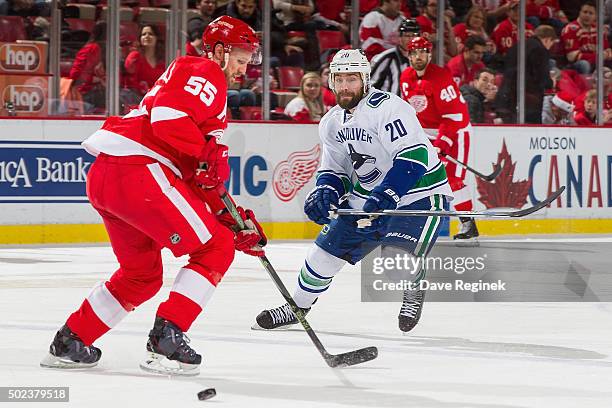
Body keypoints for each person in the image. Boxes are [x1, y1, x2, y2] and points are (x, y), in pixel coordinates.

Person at [40, 16, 267, 377]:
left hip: (110, 176)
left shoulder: (205, 86)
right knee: (217, 247)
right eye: (241, 56)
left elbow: (200, 173)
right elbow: (168, 119)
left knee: (141, 275)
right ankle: (168, 336)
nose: (244, 66)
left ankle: (71, 340)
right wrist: (208, 167)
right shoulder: (206, 70)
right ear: (221, 52)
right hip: (139, 172)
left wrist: (231, 215)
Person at [253, 49, 452, 333]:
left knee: (395, 265)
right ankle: (297, 306)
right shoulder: (332, 122)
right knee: (321, 255)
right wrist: (325, 192)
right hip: (369, 197)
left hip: (418, 195)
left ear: (366, 80)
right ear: (331, 81)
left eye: (352, 79)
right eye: (339, 79)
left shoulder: (388, 108)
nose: (345, 86)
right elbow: (336, 169)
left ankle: (414, 283)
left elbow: (415, 156)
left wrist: (387, 194)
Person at [400, 37, 479, 241]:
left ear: (429, 54)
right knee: (416, 175)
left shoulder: (441, 76)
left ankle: (468, 223)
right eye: (415, 52)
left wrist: (442, 144)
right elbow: (410, 111)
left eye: (423, 52)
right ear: (409, 55)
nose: (419, 56)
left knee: (452, 179)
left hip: (456, 128)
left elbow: (453, 117)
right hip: (426, 132)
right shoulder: (405, 77)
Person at [495, 25, 558, 124]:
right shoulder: (540, 49)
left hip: (506, 96)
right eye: (551, 43)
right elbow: (541, 78)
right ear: (548, 39)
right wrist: (551, 82)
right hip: (528, 101)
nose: (550, 47)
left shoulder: (517, 46)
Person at [370, 18, 420, 96]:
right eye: (407, 36)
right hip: (387, 106)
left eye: (414, 35)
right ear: (399, 38)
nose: (411, 39)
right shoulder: (385, 58)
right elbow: (370, 86)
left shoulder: (422, 59)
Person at [561, 1, 612, 74]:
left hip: (595, 61)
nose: (587, 15)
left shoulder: (599, 29)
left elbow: (608, 51)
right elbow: (572, 56)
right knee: (584, 64)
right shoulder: (571, 29)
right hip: (574, 64)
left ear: (596, 16)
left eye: (591, 13)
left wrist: (603, 55)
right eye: (585, 12)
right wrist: (599, 56)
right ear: (580, 13)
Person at [69, 21, 107, 113]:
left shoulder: (93, 47)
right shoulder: (93, 48)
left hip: (87, 91)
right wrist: (97, 80)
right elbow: (78, 74)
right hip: (85, 92)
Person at [123, 24, 166, 98]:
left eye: (150, 34)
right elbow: (130, 84)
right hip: (137, 100)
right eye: (143, 34)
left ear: (157, 38)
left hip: (157, 100)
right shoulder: (135, 56)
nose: (147, 36)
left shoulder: (162, 61)